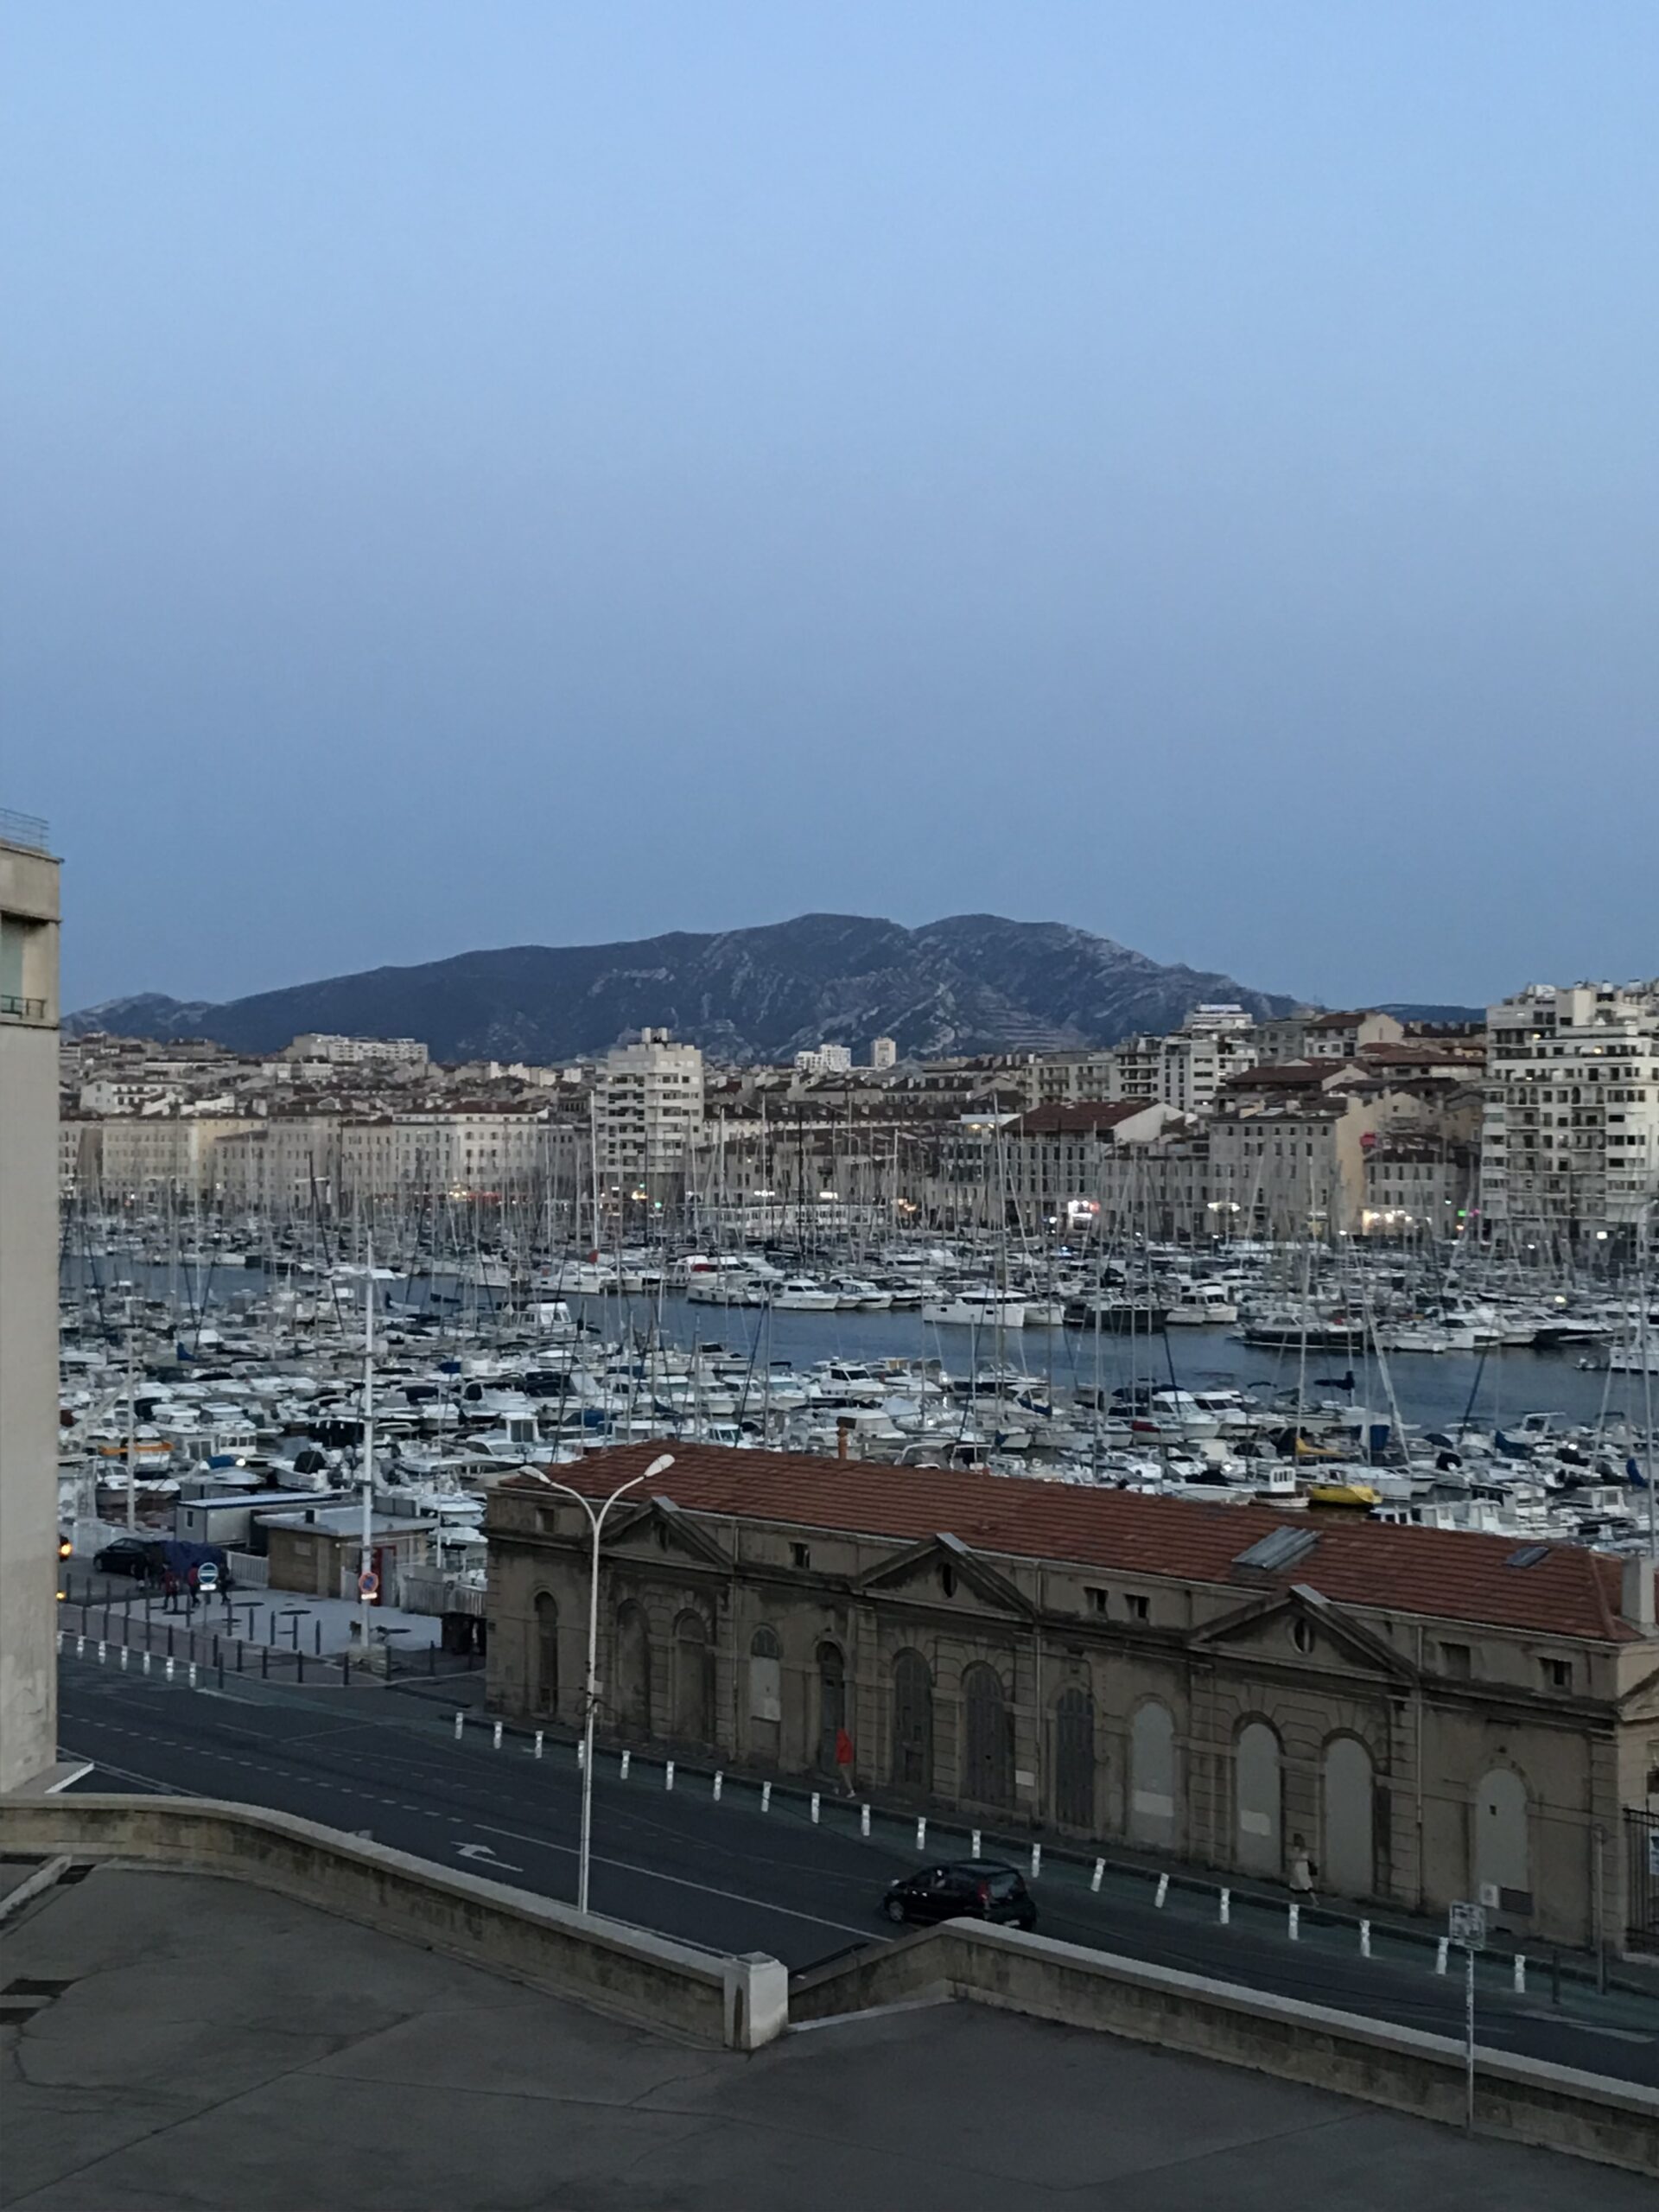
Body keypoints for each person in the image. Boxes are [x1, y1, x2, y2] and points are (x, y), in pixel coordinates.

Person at [1288, 1834, 1318, 1900]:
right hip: (1304, 1868)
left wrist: (1292, 1867)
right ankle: (1314, 1901)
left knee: (1295, 1886)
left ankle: (1293, 1902)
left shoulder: (1295, 1850)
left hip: (1297, 1868)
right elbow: (1310, 1859)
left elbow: (1292, 1858)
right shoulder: (1306, 1851)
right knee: (1307, 1885)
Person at [835, 1725, 855, 1796]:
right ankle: (837, 1788)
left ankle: (851, 1790)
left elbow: (838, 1751)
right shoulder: (847, 1741)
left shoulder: (840, 1741)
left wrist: (837, 1759)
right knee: (841, 1774)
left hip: (842, 1760)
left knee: (844, 1775)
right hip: (847, 1760)